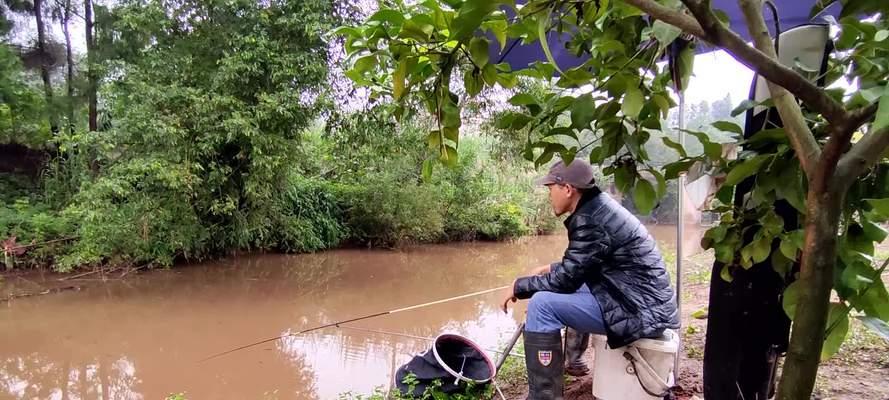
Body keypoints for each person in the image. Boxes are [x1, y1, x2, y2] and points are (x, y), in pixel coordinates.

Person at [502, 159, 679, 400]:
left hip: (637, 311)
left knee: (541, 304)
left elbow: (566, 281)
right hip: (643, 303)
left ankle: (543, 396)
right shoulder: (597, 208)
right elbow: (587, 265)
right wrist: (551, 267)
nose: (549, 195)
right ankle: (573, 362)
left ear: (567, 189)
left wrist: (520, 286)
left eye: (550, 188)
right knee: (567, 288)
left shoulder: (590, 219)